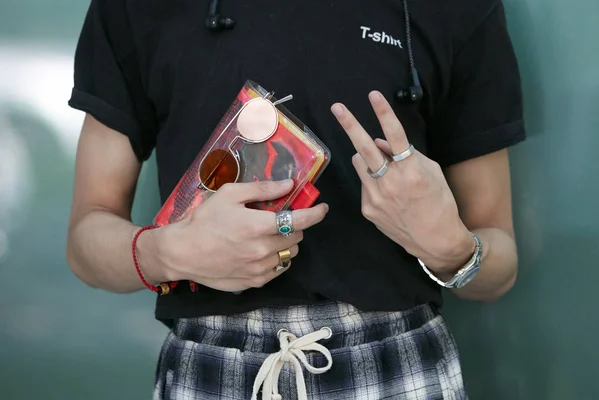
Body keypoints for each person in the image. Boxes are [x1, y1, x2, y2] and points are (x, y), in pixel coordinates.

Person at [65, 0, 525, 398]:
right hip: (205, 372)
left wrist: (449, 248)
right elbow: (87, 241)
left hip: (402, 371)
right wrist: (168, 252)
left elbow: (499, 268)